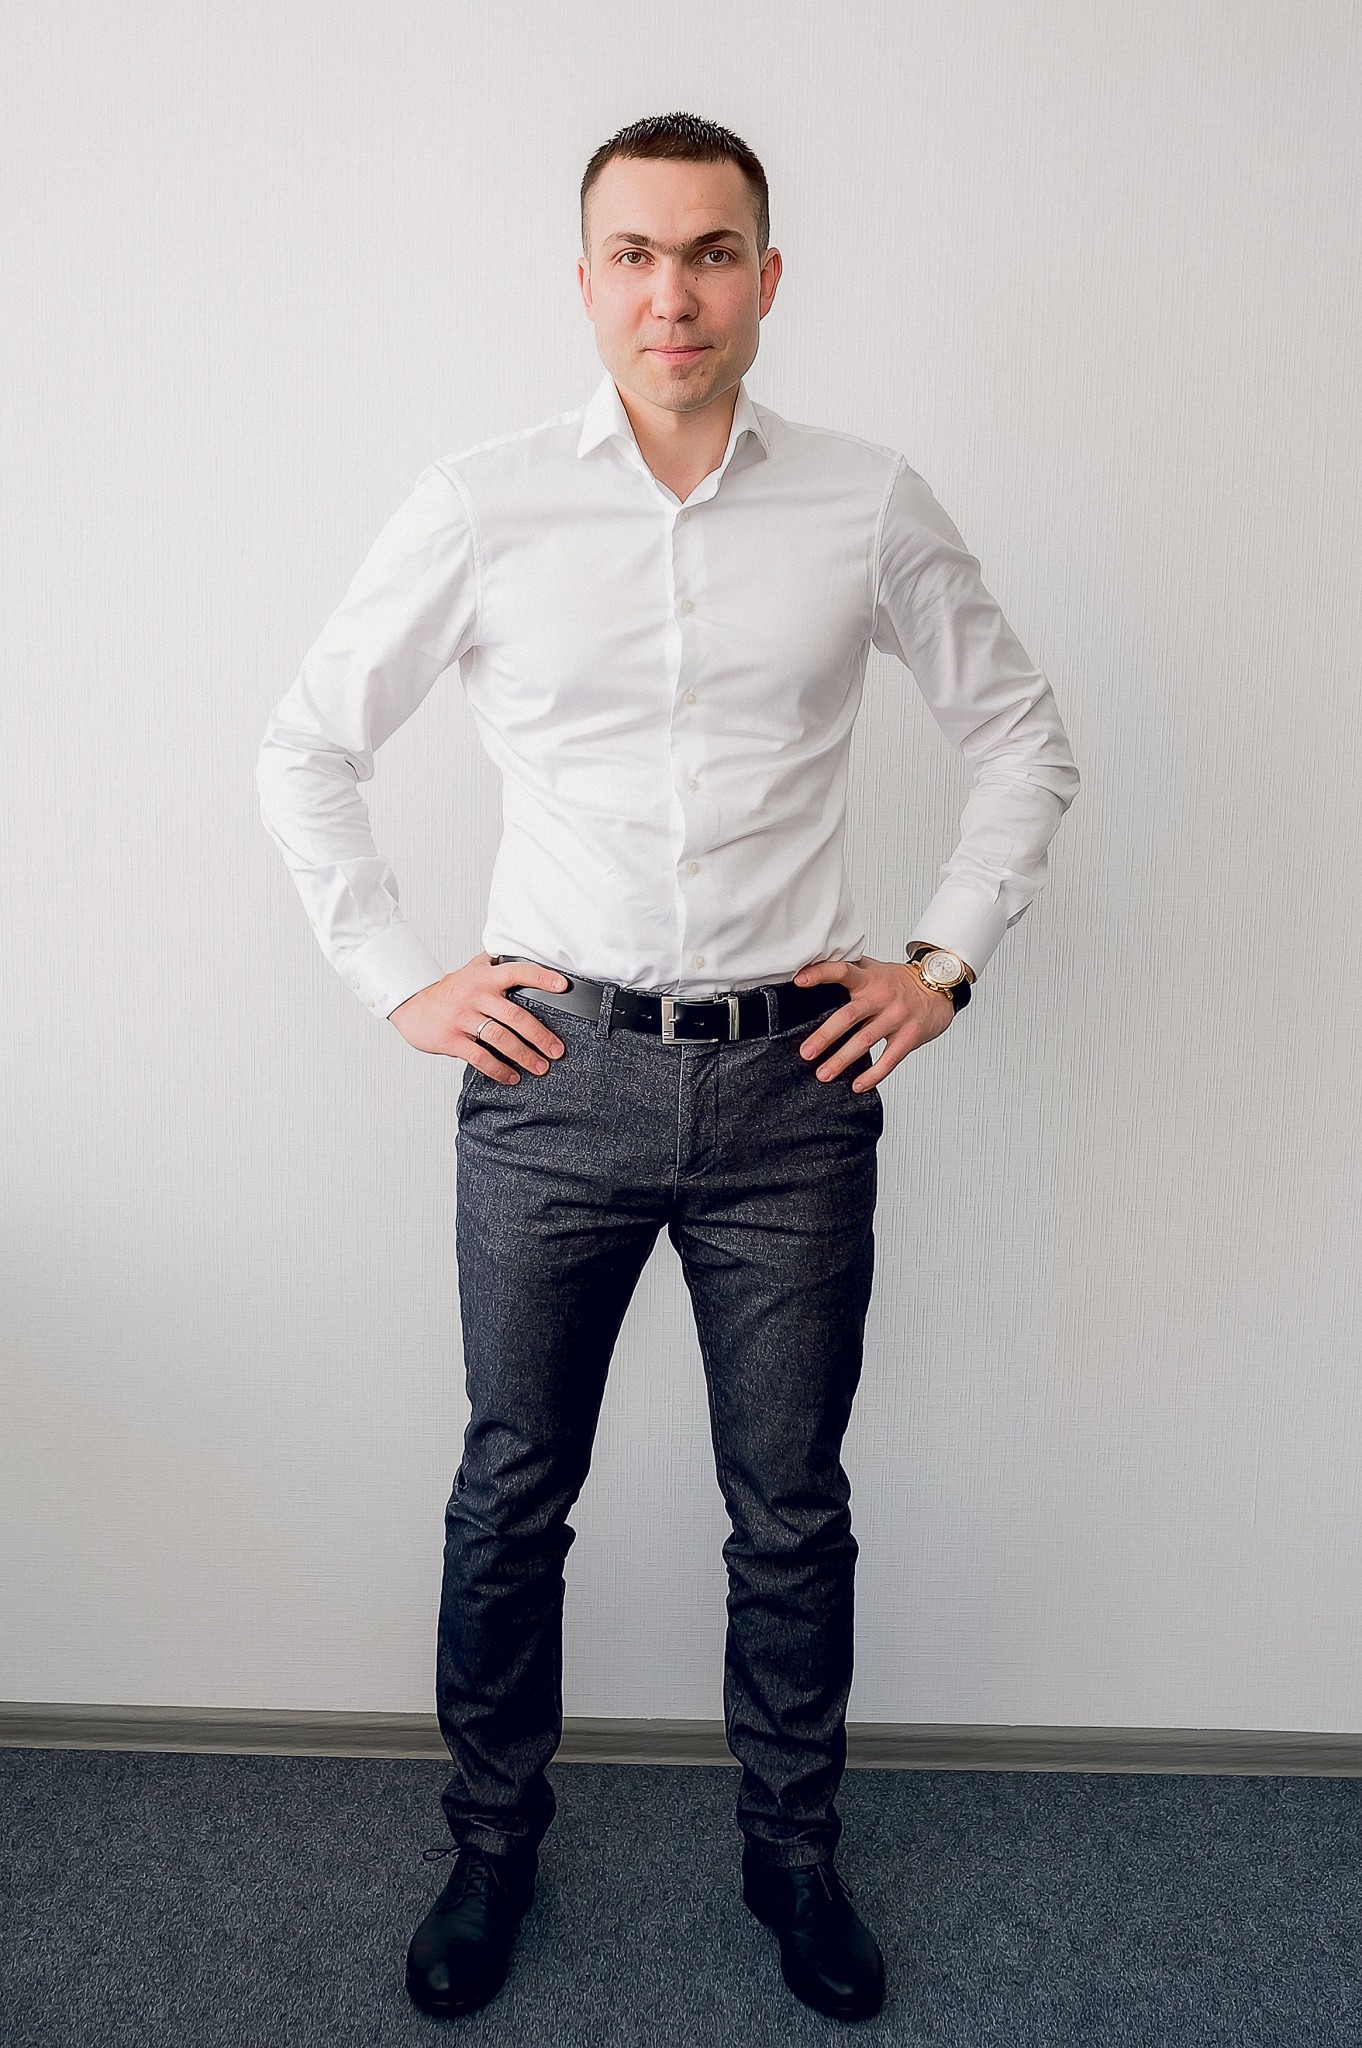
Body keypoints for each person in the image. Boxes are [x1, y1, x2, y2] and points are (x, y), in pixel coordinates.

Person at [255, 109, 1080, 2026]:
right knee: (510, 1492)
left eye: (711, 252)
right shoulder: (482, 503)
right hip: (553, 1075)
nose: (673, 292)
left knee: (788, 1506)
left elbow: (1021, 738)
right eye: (633, 253)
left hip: (792, 1088)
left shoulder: (865, 500)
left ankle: (792, 1857)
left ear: (766, 278)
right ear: (584, 282)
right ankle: (489, 1847)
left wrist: (941, 965)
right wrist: (400, 980)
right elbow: (306, 745)